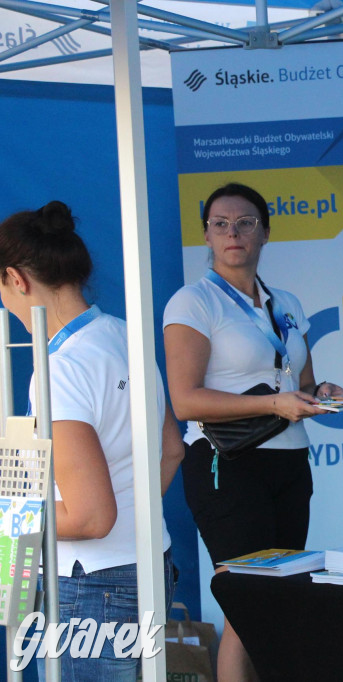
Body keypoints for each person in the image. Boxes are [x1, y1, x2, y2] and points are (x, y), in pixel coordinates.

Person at [163, 182, 343, 682]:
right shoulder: (194, 302)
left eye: (245, 222)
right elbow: (184, 400)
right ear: (206, 234)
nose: (233, 233)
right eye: (220, 224)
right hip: (228, 463)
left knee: (282, 600)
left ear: (265, 232)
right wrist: (274, 402)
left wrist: (322, 393)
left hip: (289, 462)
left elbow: (301, 383)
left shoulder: (284, 301)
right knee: (247, 606)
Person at [0, 200, 182, 681]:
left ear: (17, 280)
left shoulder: (60, 370)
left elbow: (90, 515)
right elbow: (171, 450)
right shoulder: (126, 337)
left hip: (89, 585)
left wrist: (8, 517)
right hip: (147, 565)